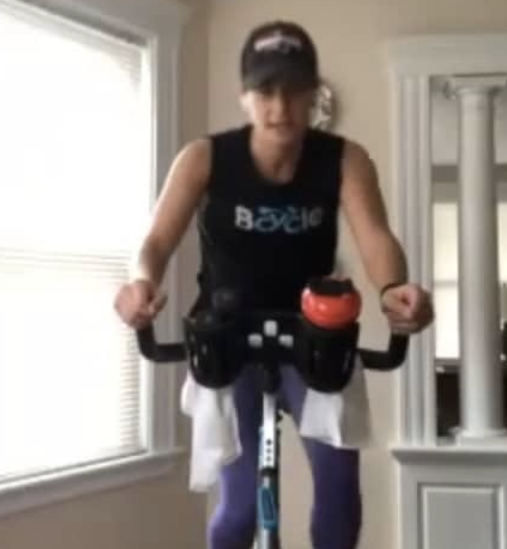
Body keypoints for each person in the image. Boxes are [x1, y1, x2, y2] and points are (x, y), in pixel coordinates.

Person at [114, 20, 434, 549]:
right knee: (238, 509)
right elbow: (153, 243)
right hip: (229, 340)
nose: (280, 107)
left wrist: (393, 290)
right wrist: (141, 283)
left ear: (313, 93)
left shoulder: (344, 159)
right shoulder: (204, 158)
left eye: (294, 90)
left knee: (339, 503)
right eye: (265, 91)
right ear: (244, 96)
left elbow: (376, 237)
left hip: (316, 336)